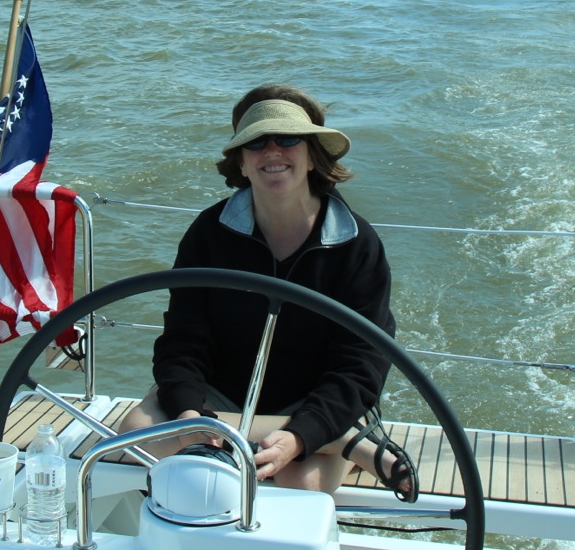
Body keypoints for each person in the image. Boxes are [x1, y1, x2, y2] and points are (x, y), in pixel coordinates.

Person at [120, 84, 418, 501]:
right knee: (134, 437)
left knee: (300, 483)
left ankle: (329, 433)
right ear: (241, 163)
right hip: (221, 396)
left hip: (316, 399)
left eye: (289, 139)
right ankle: (348, 442)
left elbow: (361, 362)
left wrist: (302, 434)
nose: (272, 151)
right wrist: (190, 413)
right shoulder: (207, 234)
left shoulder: (357, 244)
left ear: (313, 156)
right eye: (256, 142)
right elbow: (183, 340)